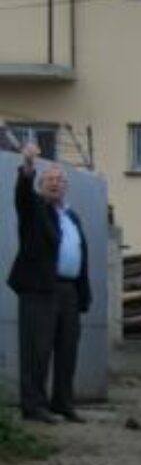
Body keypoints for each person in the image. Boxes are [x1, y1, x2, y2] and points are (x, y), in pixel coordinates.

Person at [7, 141, 91, 423]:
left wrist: (82, 294)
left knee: (67, 348)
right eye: (50, 180)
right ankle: (34, 406)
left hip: (68, 290)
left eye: (59, 180)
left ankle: (62, 403)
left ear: (66, 186)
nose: (55, 184)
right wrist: (29, 166)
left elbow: (80, 253)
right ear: (41, 185)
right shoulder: (34, 209)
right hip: (40, 288)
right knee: (37, 349)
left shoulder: (71, 216)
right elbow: (22, 193)